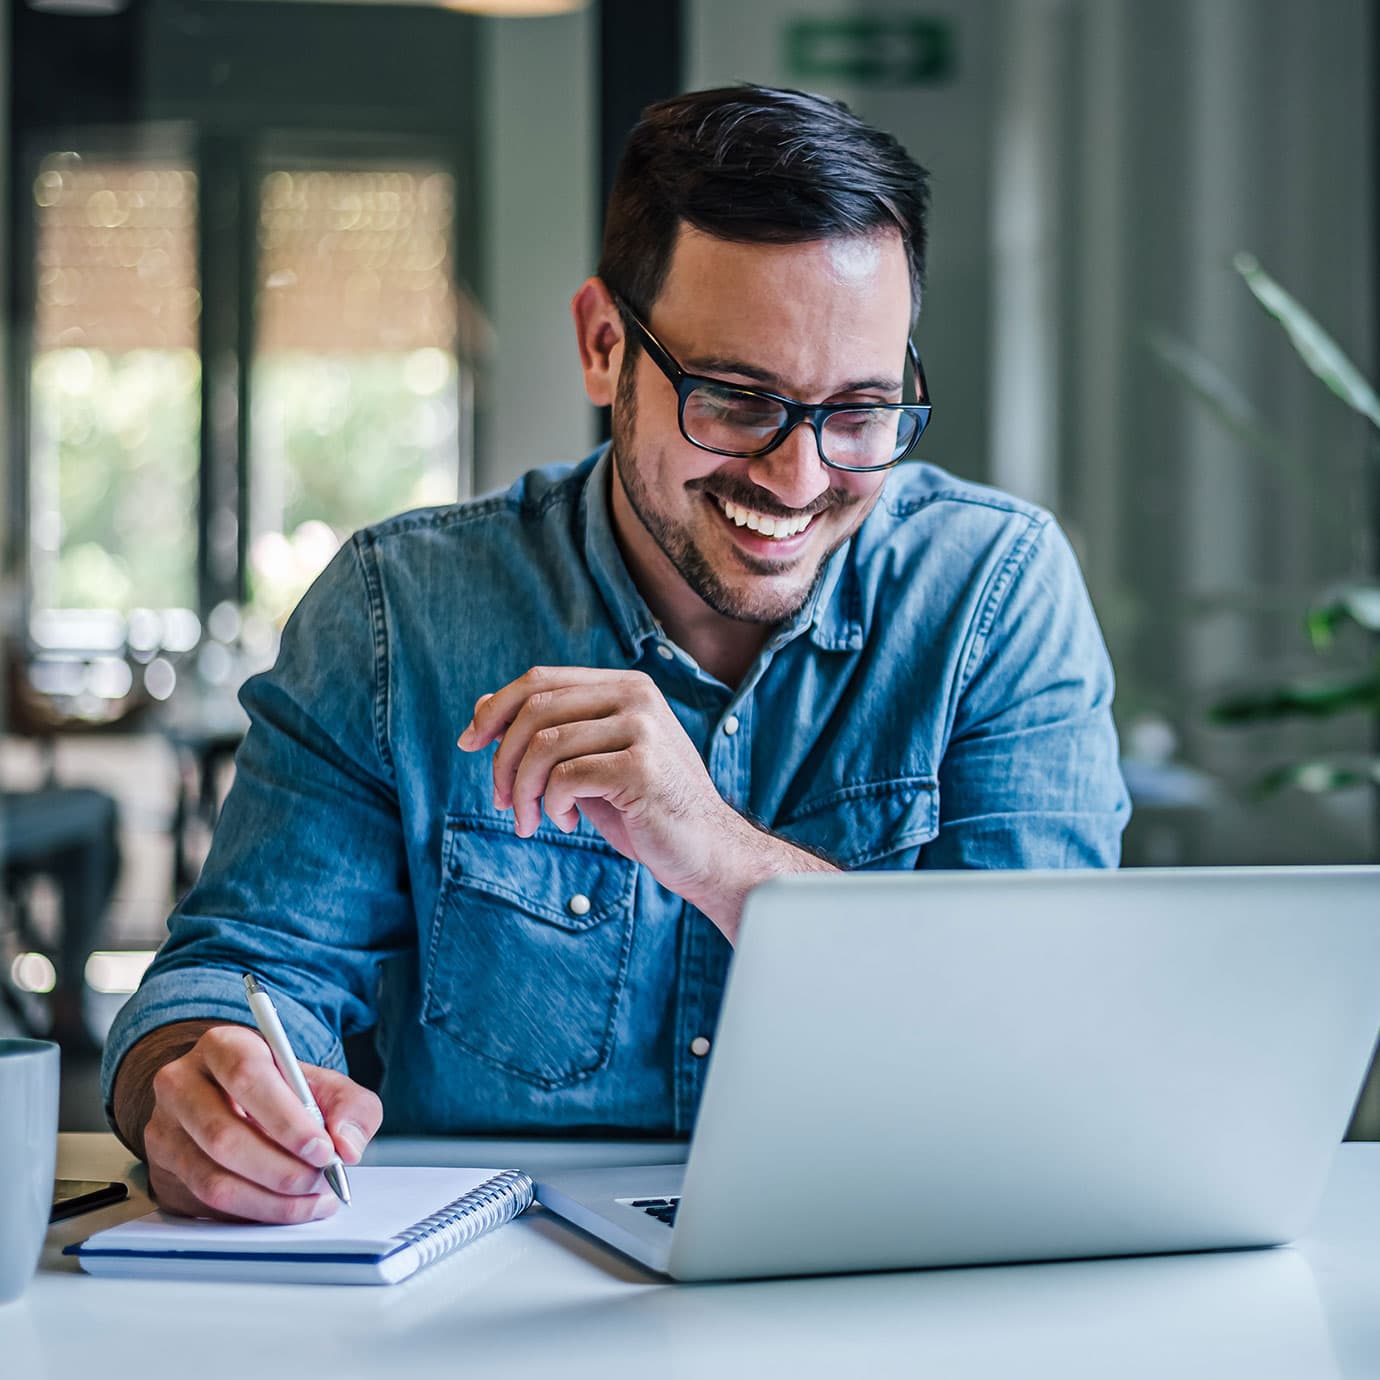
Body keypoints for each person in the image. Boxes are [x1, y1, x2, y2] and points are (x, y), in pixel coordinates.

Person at [102, 85, 1129, 1224]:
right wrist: (199, 1089)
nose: (797, 479)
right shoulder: (403, 610)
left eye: (859, 411)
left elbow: (1042, 1033)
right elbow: (243, 969)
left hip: (888, 1263)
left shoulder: (993, 595)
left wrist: (719, 854)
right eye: (736, 400)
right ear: (604, 346)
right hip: (490, 1296)